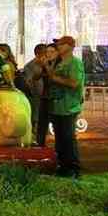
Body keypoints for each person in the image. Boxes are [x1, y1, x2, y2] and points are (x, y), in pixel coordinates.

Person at [44, 36, 85, 178]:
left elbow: (74, 83)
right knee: (60, 140)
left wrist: (54, 78)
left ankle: (73, 169)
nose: (58, 47)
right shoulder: (59, 63)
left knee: (68, 139)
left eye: (61, 44)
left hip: (69, 107)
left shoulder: (75, 63)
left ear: (70, 46)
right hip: (57, 107)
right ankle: (62, 167)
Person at [24, 44, 50, 147]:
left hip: (48, 97)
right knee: (35, 119)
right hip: (35, 97)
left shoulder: (50, 64)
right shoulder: (29, 66)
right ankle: (36, 141)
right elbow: (29, 81)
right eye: (45, 53)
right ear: (37, 54)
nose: (47, 56)